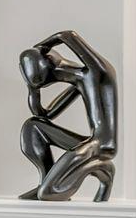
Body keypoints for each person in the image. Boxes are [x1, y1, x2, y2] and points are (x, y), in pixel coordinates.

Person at [18, 29, 117, 201]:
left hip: (102, 145)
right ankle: (46, 179)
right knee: (33, 127)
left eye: (52, 77)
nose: (59, 79)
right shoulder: (79, 82)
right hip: (88, 142)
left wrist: (42, 46)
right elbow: (44, 114)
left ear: (51, 62)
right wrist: (32, 88)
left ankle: (104, 169)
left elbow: (67, 36)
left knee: (48, 194)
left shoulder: (99, 71)